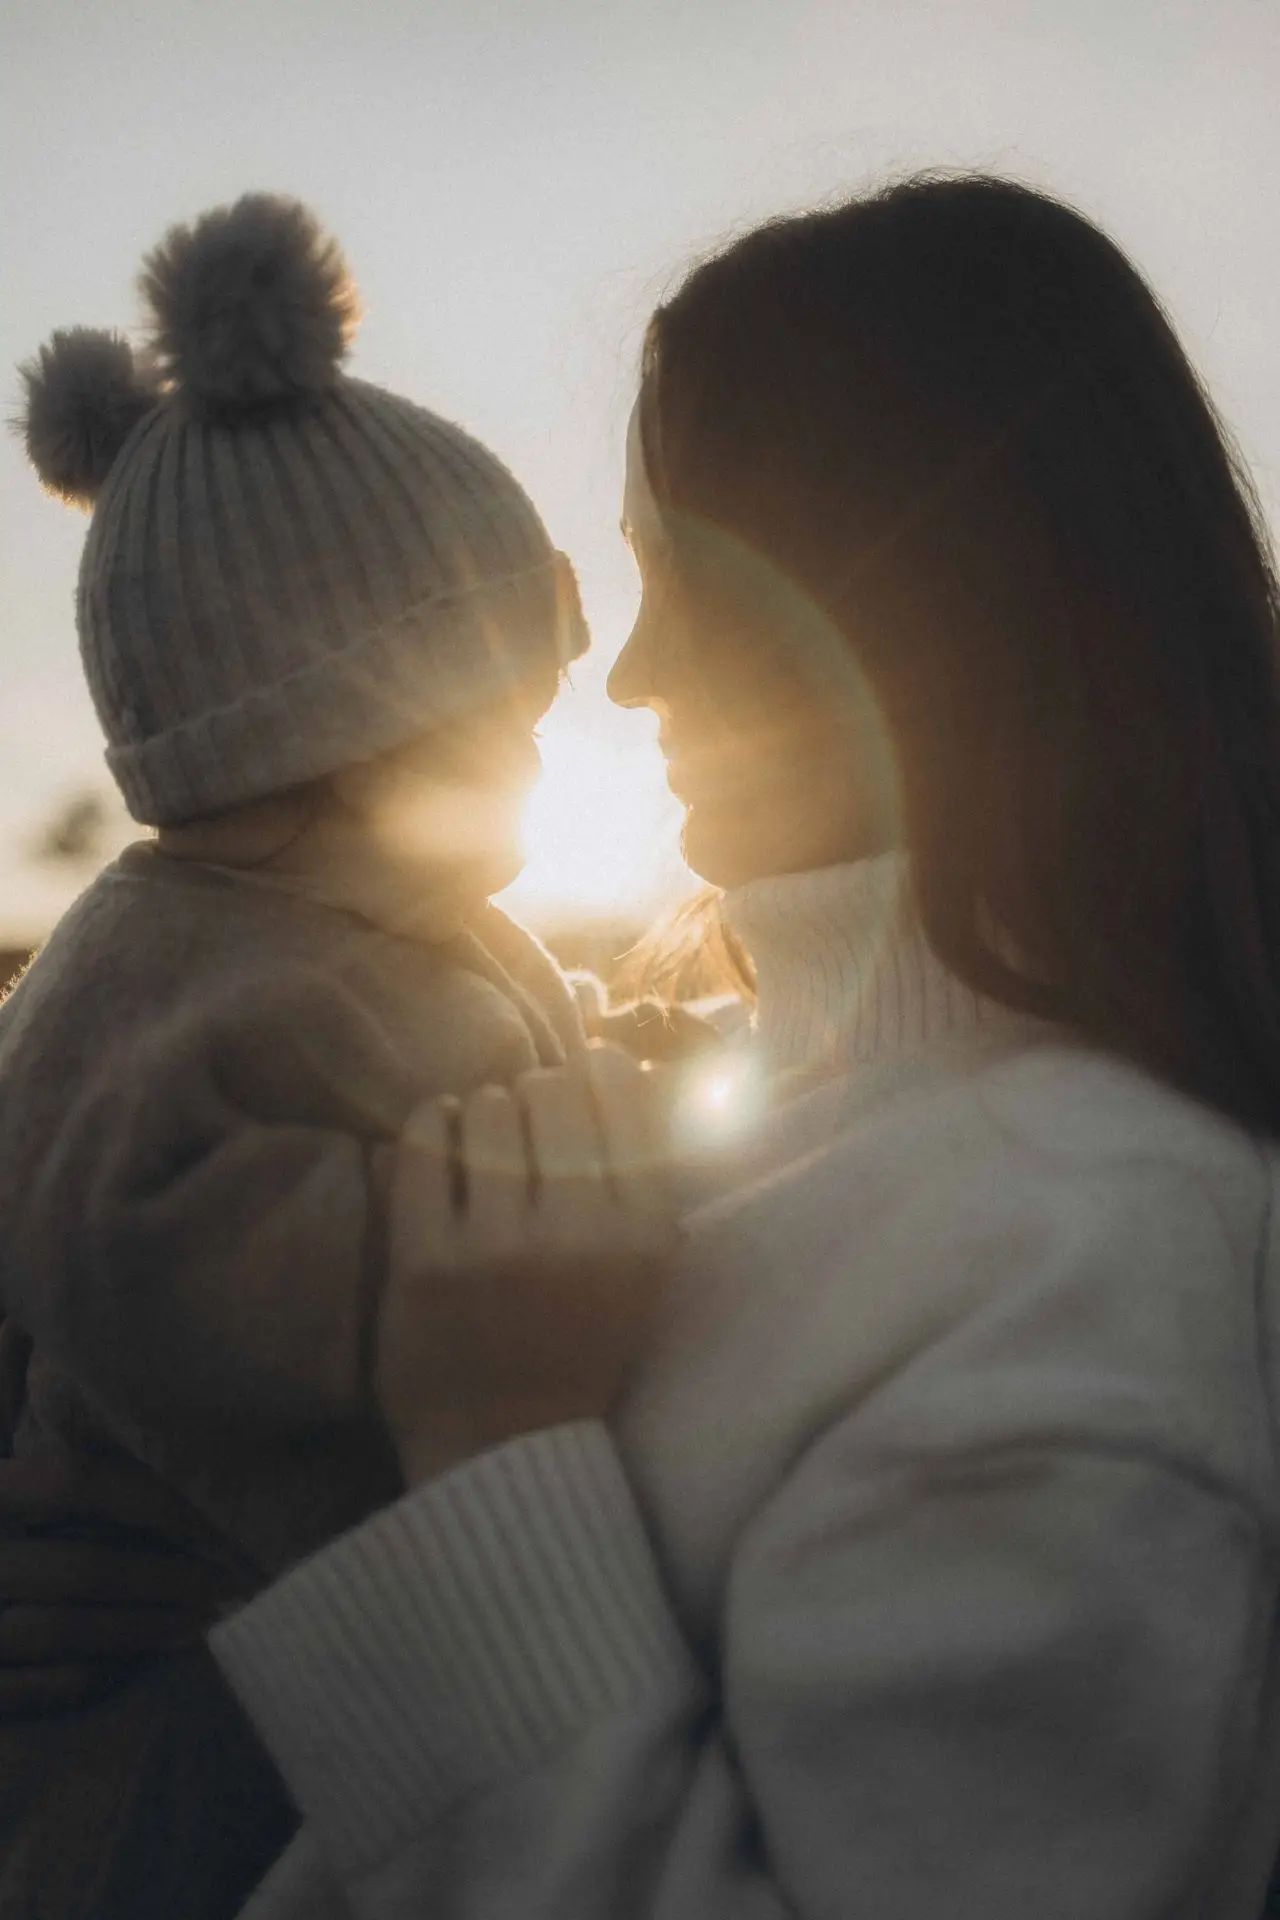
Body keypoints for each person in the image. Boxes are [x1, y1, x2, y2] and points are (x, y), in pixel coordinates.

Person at [10, 169, 1280, 1918]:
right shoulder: (784, 1105)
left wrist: (477, 1449)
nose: (627, 676)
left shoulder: (1088, 1273)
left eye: (676, 575)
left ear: (905, 600)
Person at [0, 192, 594, 1917]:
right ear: (340, 728)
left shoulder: (382, 919)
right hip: (177, 1726)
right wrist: (467, 1245)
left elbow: (495, 1049)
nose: (539, 759)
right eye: (503, 713)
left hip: (326, 1668)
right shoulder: (164, 983)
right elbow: (136, 1235)